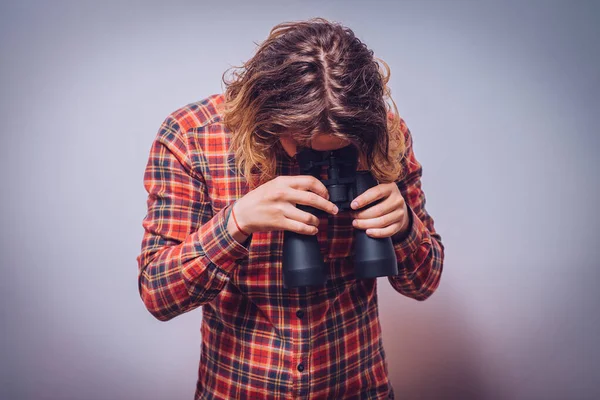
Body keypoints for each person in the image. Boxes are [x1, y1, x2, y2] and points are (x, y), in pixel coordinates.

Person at [136, 17, 444, 400]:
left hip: (356, 387)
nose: (310, 156)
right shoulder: (192, 136)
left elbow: (424, 283)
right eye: (299, 139)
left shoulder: (382, 136)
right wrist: (236, 223)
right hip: (238, 388)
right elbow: (158, 294)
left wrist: (403, 227)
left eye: (335, 147)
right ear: (263, 110)